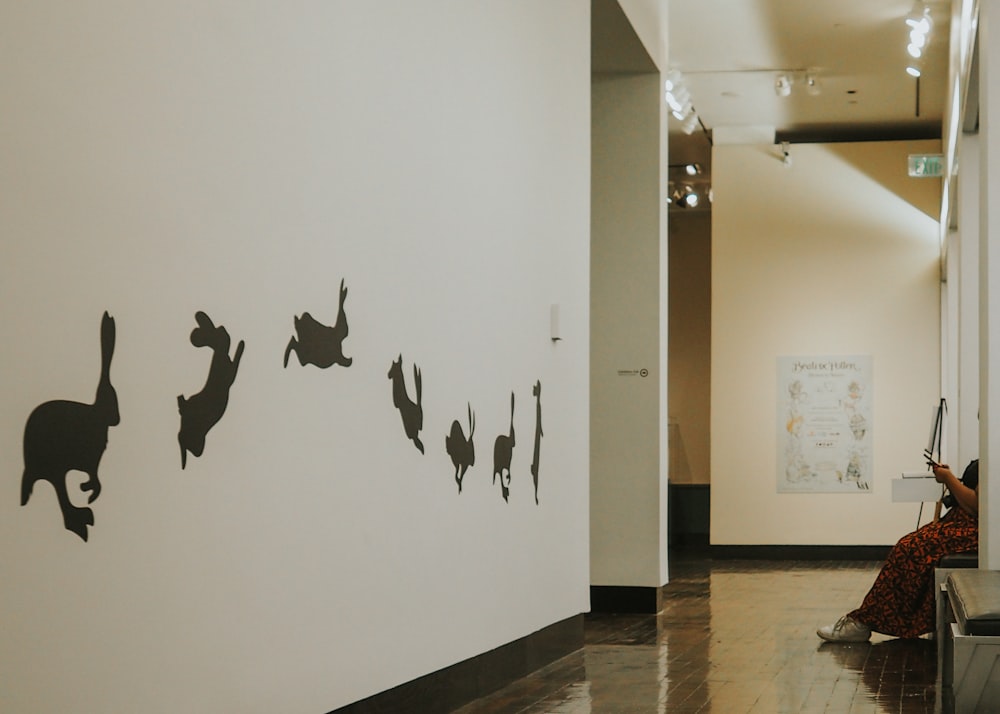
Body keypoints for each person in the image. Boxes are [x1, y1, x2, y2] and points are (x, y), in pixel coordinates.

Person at [817, 459, 979, 642]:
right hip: (964, 524)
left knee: (910, 549)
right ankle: (867, 619)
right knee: (909, 547)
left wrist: (949, 478)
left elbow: (978, 506)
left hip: (976, 531)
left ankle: (866, 620)